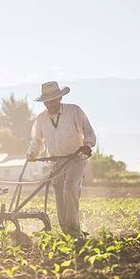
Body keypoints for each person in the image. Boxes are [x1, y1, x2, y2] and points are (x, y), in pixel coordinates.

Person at [26, 81, 96, 237]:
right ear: (43, 102)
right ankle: (66, 232)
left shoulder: (74, 111)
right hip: (55, 162)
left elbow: (88, 131)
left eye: (53, 100)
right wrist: (32, 153)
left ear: (59, 98)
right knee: (59, 195)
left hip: (75, 158)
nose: (49, 103)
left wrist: (88, 145)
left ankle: (74, 231)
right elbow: (37, 141)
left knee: (70, 187)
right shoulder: (41, 119)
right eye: (47, 101)